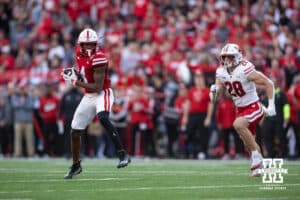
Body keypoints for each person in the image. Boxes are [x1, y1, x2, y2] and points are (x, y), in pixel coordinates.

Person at [62, 28, 130, 179]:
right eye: (85, 45)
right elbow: (85, 73)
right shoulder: (79, 54)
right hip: (88, 95)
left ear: (95, 44)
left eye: (90, 44)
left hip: (102, 93)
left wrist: (75, 81)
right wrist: (75, 73)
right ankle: (75, 165)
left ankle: (122, 154)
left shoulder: (99, 57)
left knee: (103, 117)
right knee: (74, 131)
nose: (87, 48)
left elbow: (98, 87)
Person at [210, 43, 276, 177]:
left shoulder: (245, 69)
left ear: (238, 56)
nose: (226, 60)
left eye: (230, 57)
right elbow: (215, 99)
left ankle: (256, 157)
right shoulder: (221, 72)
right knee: (248, 141)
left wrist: (271, 106)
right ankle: (261, 164)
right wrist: (213, 92)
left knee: (238, 125)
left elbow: (269, 83)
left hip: (253, 106)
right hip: (239, 109)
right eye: (225, 57)